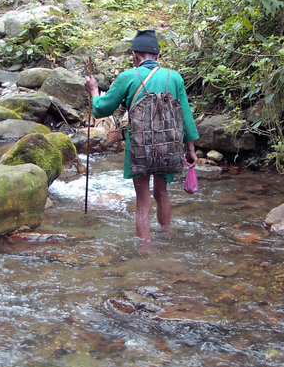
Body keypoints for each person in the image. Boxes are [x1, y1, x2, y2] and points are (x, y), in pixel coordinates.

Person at [84, 29, 199, 241]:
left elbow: (101, 109)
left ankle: (146, 252)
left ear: (135, 55)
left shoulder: (127, 76)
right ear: (158, 56)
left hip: (139, 148)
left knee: (143, 202)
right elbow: (186, 116)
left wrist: (93, 91)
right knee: (162, 194)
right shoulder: (174, 78)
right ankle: (166, 237)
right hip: (169, 146)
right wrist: (190, 149)